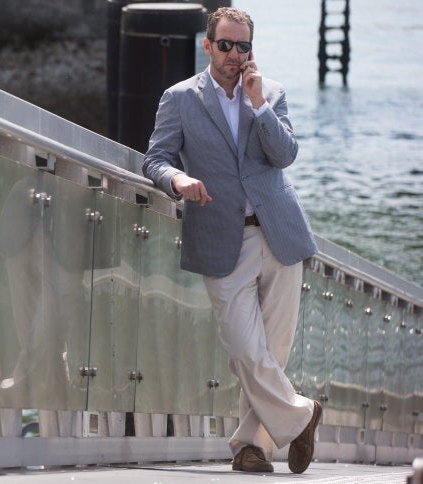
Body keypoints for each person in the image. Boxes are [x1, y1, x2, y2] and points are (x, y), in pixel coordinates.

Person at [142, 7, 322, 474]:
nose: (234, 55)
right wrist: (177, 179)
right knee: (245, 348)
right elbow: (155, 158)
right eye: (226, 45)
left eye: (243, 46)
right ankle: (303, 416)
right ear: (208, 45)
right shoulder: (179, 98)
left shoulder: (271, 93)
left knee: (272, 354)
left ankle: (250, 447)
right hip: (221, 239)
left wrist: (258, 103)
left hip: (279, 234)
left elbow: (284, 155)